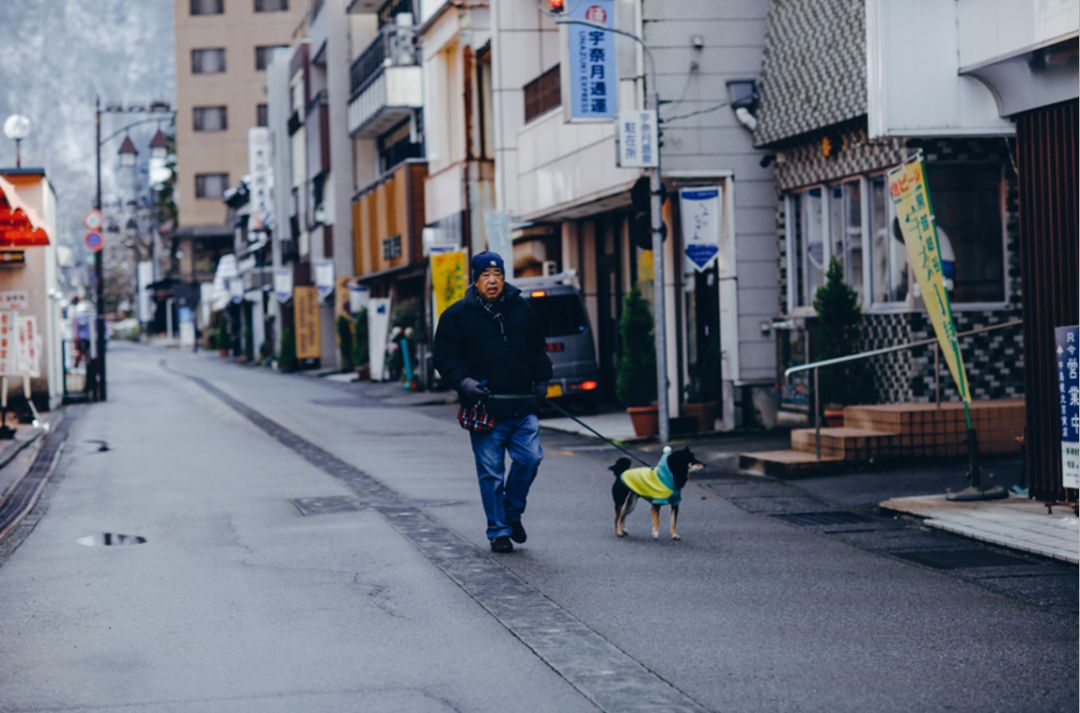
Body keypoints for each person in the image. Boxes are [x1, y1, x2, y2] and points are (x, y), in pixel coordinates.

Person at [433, 251, 552, 553]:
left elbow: (538, 349)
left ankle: (512, 514)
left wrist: (541, 381)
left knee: (531, 459)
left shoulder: (522, 308)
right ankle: (499, 531)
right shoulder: (456, 316)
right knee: (491, 472)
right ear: (475, 279)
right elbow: (445, 358)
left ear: (504, 277)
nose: (492, 281)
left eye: (497, 275)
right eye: (485, 275)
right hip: (484, 408)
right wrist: (464, 383)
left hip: (523, 405)